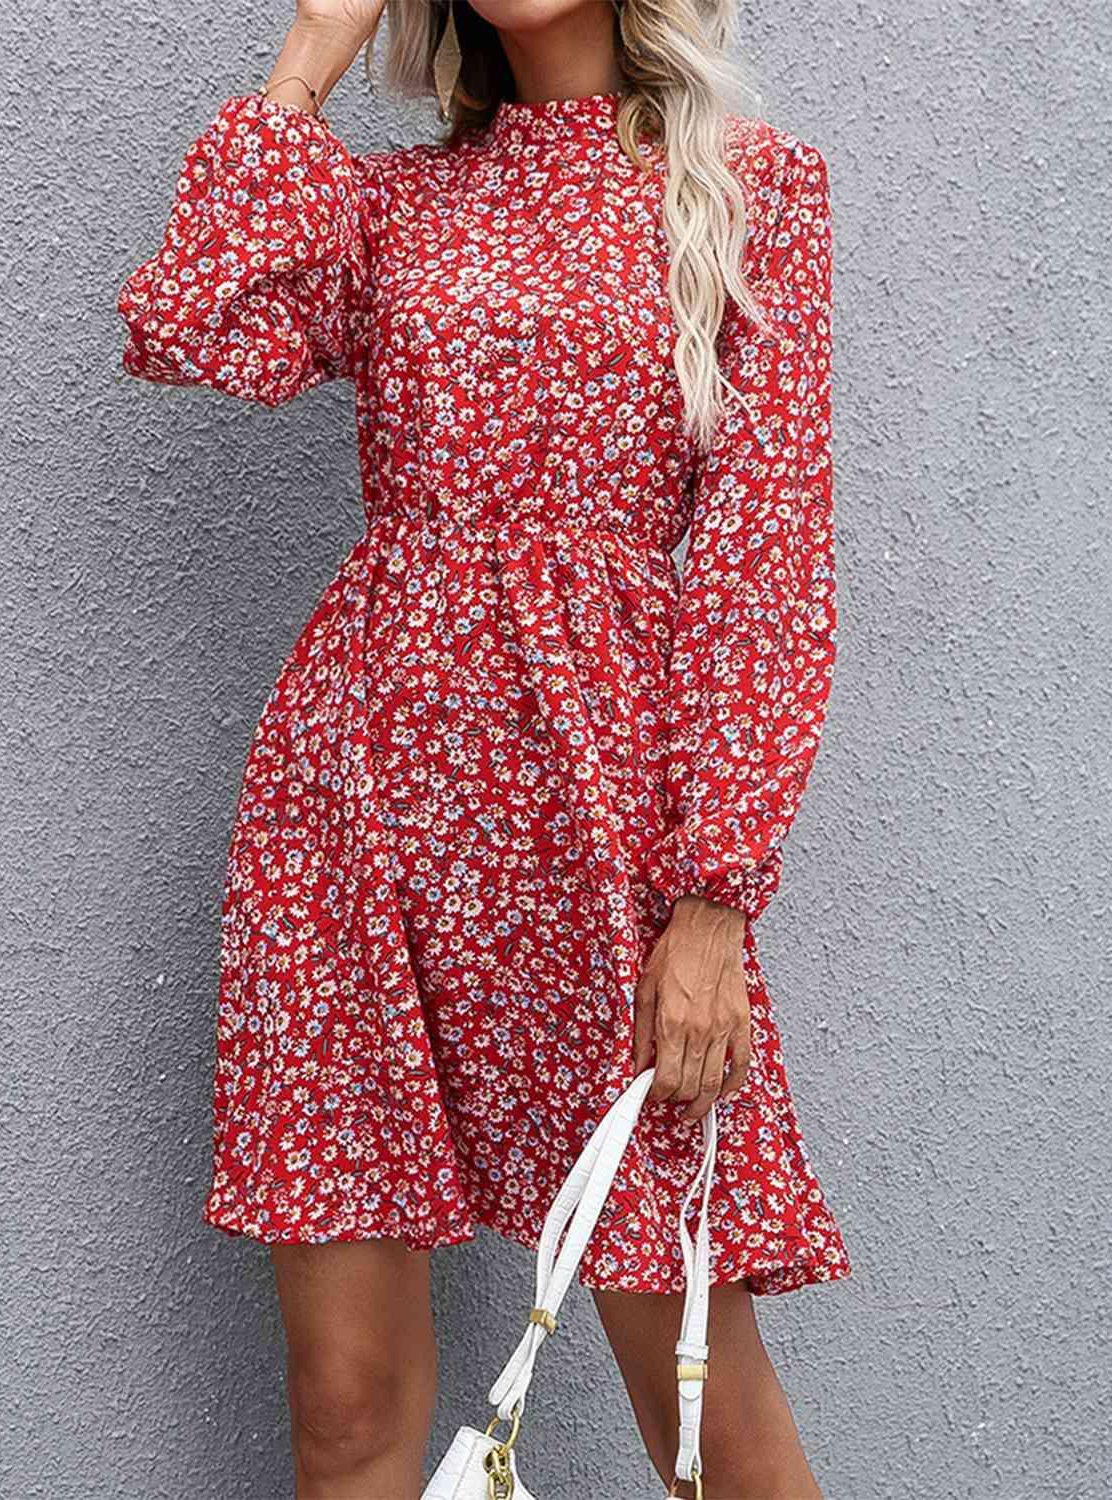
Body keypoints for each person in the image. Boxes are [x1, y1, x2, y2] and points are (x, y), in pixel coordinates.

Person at [117, 0, 851, 1494]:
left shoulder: (748, 186)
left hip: (602, 818)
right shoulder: (389, 203)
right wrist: (307, 60)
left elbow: (765, 550)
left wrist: (712, 897)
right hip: (357, 803)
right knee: (344, 1402)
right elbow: (185, 329)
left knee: (701, 1405)